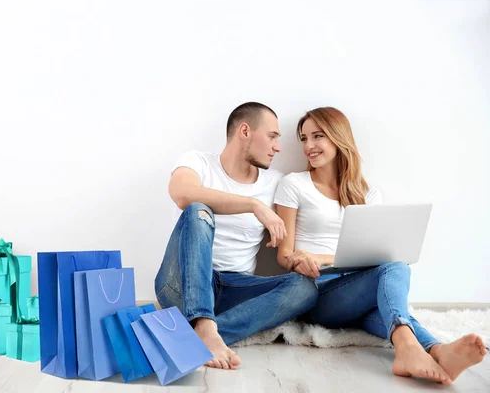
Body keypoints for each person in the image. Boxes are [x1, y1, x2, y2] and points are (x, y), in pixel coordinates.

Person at [274, 106, 487, 384]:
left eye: (318, 136)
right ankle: (411, 350)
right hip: (320, 291)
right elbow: (284, 254)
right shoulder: (293, 185)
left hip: (362, 291)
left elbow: (375, 253)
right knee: (394, 267)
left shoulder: (366, 192)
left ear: (338, 138)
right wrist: (312, 259)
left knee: (391, 296)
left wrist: (324, 255)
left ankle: (435, 350)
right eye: (304, 138)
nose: (309, 146)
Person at [155, 102, 319, 370]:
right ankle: (204, 326)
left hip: (233, 287)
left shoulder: (275, 181)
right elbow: (183, 194)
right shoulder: (197, 162)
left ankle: (204, 332)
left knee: (304, 289)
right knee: (198, 211)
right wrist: (254, 205)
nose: (278, 146)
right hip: (181, 284)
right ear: (245, 131)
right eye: (272, 136)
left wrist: (300, 260)